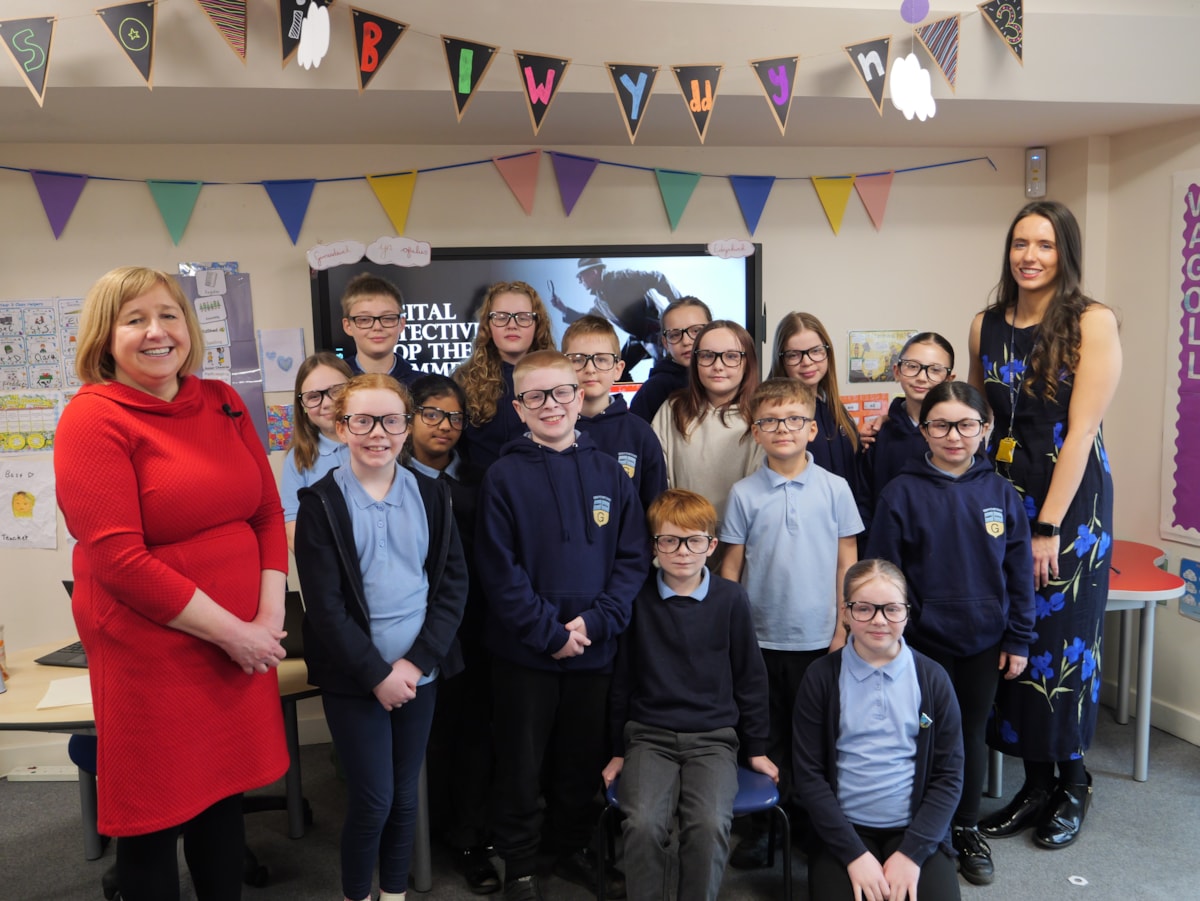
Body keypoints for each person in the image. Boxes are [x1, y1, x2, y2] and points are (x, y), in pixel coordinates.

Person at [54, 266, 291, 901]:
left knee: (221, 798)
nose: (156, 332)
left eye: (168, 315)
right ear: (106, 338)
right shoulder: (91, 418)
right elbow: (119, 561)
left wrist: (266, 621)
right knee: (153, 818)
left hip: (240, 637)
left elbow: (267, 512)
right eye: (134, 320)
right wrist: (235, 634)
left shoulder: (223, 399)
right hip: (152, 649)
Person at [969, 200, 1121, 849]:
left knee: (1063, 637)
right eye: (1021, 242)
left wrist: (1048, 526)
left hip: (1070, 504)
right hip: (1003, 496)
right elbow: (982, 422)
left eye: (1046, 244)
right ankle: (1035, 784)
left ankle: (1074, 782)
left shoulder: (1093, 321)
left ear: (1066, 254)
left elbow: (1082, 429)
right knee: (1014, 636)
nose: (1030, 254)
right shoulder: (986, 325)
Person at [474, 350, 650, 901]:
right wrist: (551, 633)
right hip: (526, 653)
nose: (550, 405)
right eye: (535, 396)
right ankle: (521, 863)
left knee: (581, 759)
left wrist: (595, 624)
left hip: (595, 649)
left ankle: (573, 846)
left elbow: (632, 559)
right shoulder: (502, 477)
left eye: (561, 393)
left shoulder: (610, 473)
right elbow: (499, 573)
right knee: (522, 763)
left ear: (580, 397)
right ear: (519, 407)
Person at [294, 374, 468, 901]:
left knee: (406, 798)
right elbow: (323, 608)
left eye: (391, 420)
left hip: (421, 674)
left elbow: (452, 586)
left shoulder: (434, 496)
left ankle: (394, 894)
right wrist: (377, 676)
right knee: (373, 799)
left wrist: (414, 666)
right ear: (341, 426)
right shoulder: (320, 504)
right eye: (362, 421)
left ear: (406, 424)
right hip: (356, 679)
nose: (378, 433)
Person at [866, 381, 1035, 885]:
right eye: (941, 424)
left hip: (984, 640)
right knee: (917, 735)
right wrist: (892, 635)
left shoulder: (1001, 494)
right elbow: (884, 573)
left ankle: (964, 828)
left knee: (968, 735)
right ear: (924, 430)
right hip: (918, 644)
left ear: (984, 429)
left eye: (966, 425)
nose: (954, 436)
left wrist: (1019, 638)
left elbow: (1018, 573)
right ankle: (920, 829)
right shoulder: (901, 491)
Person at [603, 489, 776, 901]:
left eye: (694, 541)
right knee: (643, 823)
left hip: (714, 740)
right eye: (669, 541)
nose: (682, 552)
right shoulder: (637, 599)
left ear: (711, 546)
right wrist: (616, 750)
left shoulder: (731, 600)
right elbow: (621, 681)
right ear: (654, 546)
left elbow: (750, 679)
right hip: (648, 736)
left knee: (708, 824)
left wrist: (756, 748)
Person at [719, 378, 862, 869]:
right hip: (759, 639)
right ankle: (762, 827)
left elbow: (849, 562)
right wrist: (732, 637)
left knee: (815, 734)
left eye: (794, 420)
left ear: (812, 429)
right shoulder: (742, 493)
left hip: (820, 638)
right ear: (755, 432)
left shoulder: (836, 489)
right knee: (762, 733)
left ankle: (808, 823)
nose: (783, 429)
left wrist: (844, 627)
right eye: (771, 421)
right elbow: (732, 569)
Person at [793, 559, 964, 901]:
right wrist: (854, 855)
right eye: (865, 609)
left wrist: (912, 854)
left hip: (915, 830)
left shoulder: (932, 679)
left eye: (891, 609)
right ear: (845, 612)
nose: (879, 620)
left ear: (907, 612)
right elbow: (809, 775)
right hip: (844, 832)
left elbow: (949, 777)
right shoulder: (821, 677)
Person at [403, 374, 501, 894]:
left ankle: (468, 838)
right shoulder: (391, 479)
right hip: (414, 632)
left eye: (455, 417)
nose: (445, 426)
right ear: (411, 417)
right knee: (428, 740)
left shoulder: (482, 478)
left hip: (478, 626)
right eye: (433, 415)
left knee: (474, 736)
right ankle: (421, 836)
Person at [651, 320, 763, 527]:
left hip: (744, 537)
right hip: (684, 536)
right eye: (707, 356)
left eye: (731, 356)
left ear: (747, 362)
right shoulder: (673, 409)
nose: (718, 366)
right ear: (695, 361)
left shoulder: (762, 413)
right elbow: (658, 477)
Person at [562, 314, 668, 512]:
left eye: (601, 359)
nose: (590, 369)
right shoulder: (550, 431)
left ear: (618, 369)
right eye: (578, 360)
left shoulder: (641, 434)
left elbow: (656, 510)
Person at [769, 312, 868, 517]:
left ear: (827, 352)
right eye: (794, 355)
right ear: (781, 360)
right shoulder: (775, 415)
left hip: (846, 527)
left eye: (815, 351)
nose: (807, 362)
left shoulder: (832, 407)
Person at [454, 281, 556, 470]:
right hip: (482, 491)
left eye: (523, 317)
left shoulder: (559, 378)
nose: (512, 325)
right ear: (488, 324)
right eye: (501, 317)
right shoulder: (464, 381)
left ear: (537, 324)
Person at [861, 332, 955, 521]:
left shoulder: (958, 435)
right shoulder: (877, 436)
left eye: (935, 370)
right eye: (912, 366)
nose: (921, 377)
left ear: (949, 379)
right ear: (897, 371)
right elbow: (864, 502)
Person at [550, 258, 681, 378]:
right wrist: (562, 308)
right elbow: (587, 321)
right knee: (616, 371)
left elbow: (657, 277)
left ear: (593, 272)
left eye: (581, 276)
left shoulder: (622, 278)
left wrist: (681, 305)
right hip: (639, 337)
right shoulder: (600, 302)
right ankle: (627, 402)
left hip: (657, 331)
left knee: (662, 373)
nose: (580, 281)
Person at [282, 352, 353, 549]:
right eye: (313, 397)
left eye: (337, 391)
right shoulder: (299, 458)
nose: (328, 403)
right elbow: (294, 529)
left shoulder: (377, 443)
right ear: (303, 406)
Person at [629, 296, 712, 423]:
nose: (686, 341)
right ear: (666, 343)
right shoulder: (653, 391)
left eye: (696, 331)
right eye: (675, 335)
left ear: (713, 333)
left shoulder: (732, 379)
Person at [340, 273, 420, 385]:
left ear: (401, 324)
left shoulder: (425, 386)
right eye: (364, 319)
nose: (377, 327)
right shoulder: (335, 384)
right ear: (348, 326)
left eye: (388, 318)